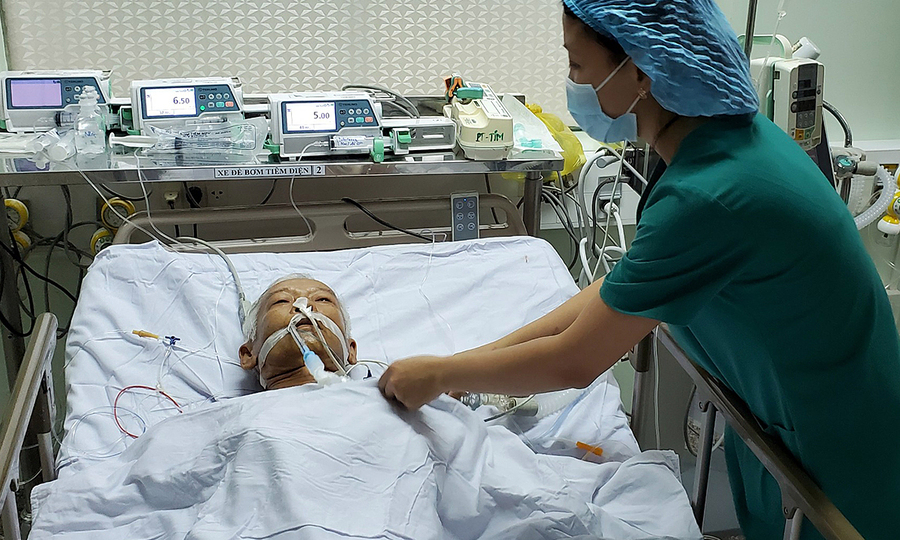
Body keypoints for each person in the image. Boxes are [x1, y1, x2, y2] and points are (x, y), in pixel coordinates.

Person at [378, 1, 900, 539]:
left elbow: (573, 361)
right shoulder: (726, 140)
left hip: (835, 458)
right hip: (800, 420)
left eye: (577, 65)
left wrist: (441, 376)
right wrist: (463, 364)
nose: (572, 83)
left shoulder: (710, 194)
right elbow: (625, 285)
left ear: (641, 73)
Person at [240, 275, 358, 389]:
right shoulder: (241, 405)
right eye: (281, 301)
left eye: (323, 299)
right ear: (248, 354)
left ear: (351, 350)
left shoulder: (368, 393)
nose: (305, 305)